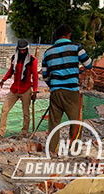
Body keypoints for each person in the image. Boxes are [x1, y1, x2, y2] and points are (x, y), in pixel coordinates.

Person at [41, 24, 93, 155]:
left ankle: (52, 150)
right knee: (76, 121)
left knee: (54, 123)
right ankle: (73, 149)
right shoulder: (76, 47)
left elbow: (45, 75)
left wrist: (53, 85)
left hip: (55, 92)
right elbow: (88, 64)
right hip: (71, 91)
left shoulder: (48, 52)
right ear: (67, 35)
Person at [0, 39, 38, 138]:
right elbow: (11, 71)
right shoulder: (14, 58)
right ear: (17, 49)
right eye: (20, 50)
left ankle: (24, 132)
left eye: (24, 50)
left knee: (26, 113)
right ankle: (1, 132)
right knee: (5, 109)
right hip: (14, 89)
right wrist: (3, 80)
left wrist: (35, 90)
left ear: (27, 50)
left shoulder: (32, 60)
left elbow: (35, 76)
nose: (22, 52)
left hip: (26, 89)